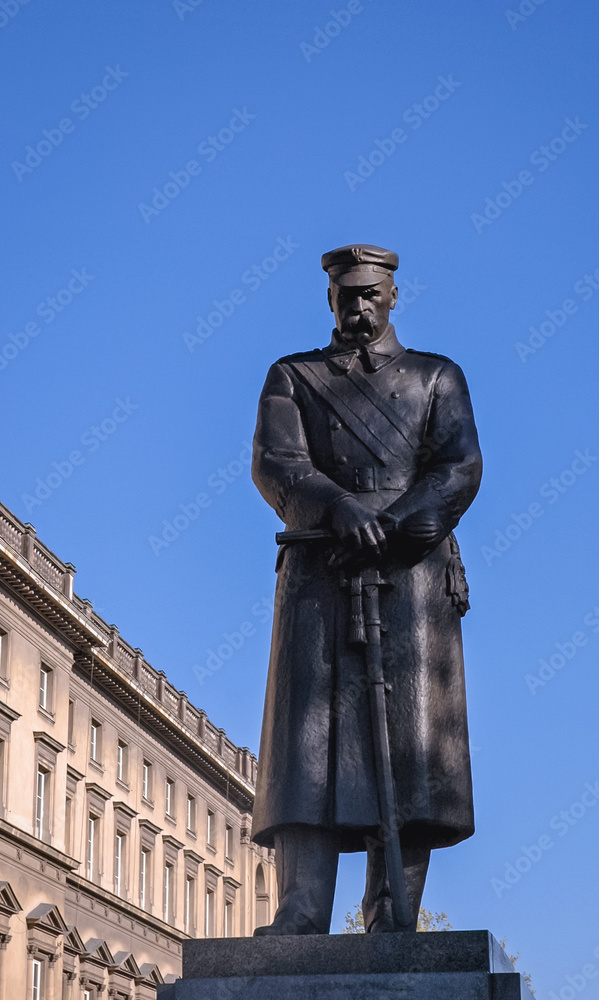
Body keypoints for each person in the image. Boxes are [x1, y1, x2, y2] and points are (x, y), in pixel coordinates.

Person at [250, 244, 482, 934]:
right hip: (320, 566)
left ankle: (391, 911)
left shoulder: (436, 376)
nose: (357, 305)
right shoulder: (293, 376)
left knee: (412, 742)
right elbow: (276, 462)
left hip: (412, 573)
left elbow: (459, 467)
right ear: (329, 298)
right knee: (306, 744)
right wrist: (339, 508)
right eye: (345, 294)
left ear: (392, 295)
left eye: (369, 293)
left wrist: (396, 526)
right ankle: (300, 910)